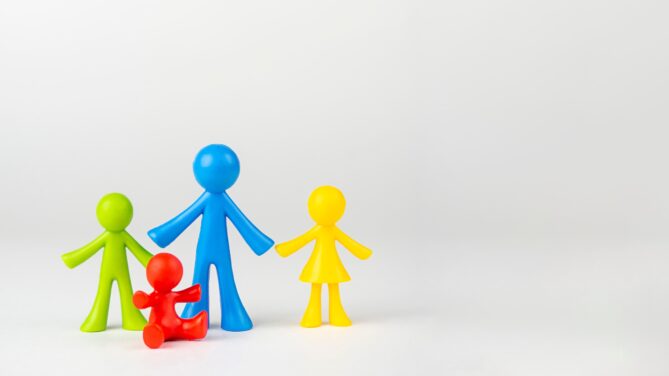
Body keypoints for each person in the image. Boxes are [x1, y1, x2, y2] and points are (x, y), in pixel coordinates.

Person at [148, 144, 273, 331]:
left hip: (217, 250)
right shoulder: (212, 200)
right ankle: (197, 312)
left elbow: (242, 223)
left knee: (224, 278)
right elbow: (184, 219)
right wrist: (163, 233)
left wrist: (259, 242)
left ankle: (232, 314)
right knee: (200, 277)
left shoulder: (218, 201)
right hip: (208, 250)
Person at [276, 186, 372, 327]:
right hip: (321, 265)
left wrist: (363, 252)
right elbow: (301, 241)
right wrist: (285, 249)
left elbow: (349, 243)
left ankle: (334, 314)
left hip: (329, 265)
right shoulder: (320, 230)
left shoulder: (331, 231)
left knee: (329, 288)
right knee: (321, 288)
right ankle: (314, 315)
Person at [61, 193, 153, 332]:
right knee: (104, 292)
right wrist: (73, 258)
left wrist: (153, 263)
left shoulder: (122, 237)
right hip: (110, 272)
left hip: (120, 272)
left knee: (125, 291)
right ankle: (98, 319)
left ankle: (131, 318)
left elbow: (138, 251)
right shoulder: (111, 237)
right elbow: (90, 249)